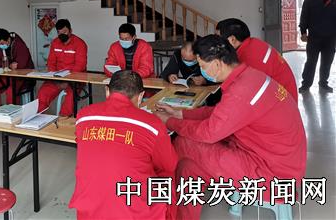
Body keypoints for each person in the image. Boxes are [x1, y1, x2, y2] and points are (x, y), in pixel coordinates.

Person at [154, 35, 306, 220]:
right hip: (270, 157)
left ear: (217, 64)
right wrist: (181, 114)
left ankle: (153, 200)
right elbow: (219, 112)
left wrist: (169, 122)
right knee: (188, 167)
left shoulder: (241, 90)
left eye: (202, 66)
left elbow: (209, 132)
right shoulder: (249, 76)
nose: (201, 72)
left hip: (272, 174)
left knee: (183, 143)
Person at [69, 70, 177, 220]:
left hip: (88, 209)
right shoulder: (152, 124)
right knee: (167, 176)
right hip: (134, 212)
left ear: (107, 91)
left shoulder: (83, 116)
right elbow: (169, 165)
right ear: (140, 96)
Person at [216, 18, 298, 100]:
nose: (216, 44)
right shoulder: (252, 43)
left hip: (282, 100)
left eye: (218, 40)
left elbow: (245, 92)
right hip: (284, 95)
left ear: (232, 40)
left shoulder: (249, 58)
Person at [37, 19, 87, 116]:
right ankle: (39, 117)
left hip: (75, 79)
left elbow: (80, 66)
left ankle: (63, 120)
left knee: (70, 98)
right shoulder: (55, 42)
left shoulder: (80, 44)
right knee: (43, 92)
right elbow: (51, 62)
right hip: (57, 78)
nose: (62, 35)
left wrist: (67, 81)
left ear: (70, 31)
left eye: (65, 32)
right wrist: (55, 78)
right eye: (59, 33)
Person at [299, 0, 336, 93]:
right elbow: (304, 17)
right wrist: (303, 32)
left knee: (327, 62)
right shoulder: (309, 0)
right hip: (314, 38)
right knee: (310, 62)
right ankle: (306, 84)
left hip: (330, 39)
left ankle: (323, 83)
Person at [0, 28, 34, 105]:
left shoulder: (19, 45)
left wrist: (9, 65)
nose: (0, 46)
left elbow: (21, 65)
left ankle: (12, 111)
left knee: (11, 90)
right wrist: (9, 65)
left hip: (23, 77)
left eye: (2, 43)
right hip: (8, 75)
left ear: (8, 39)